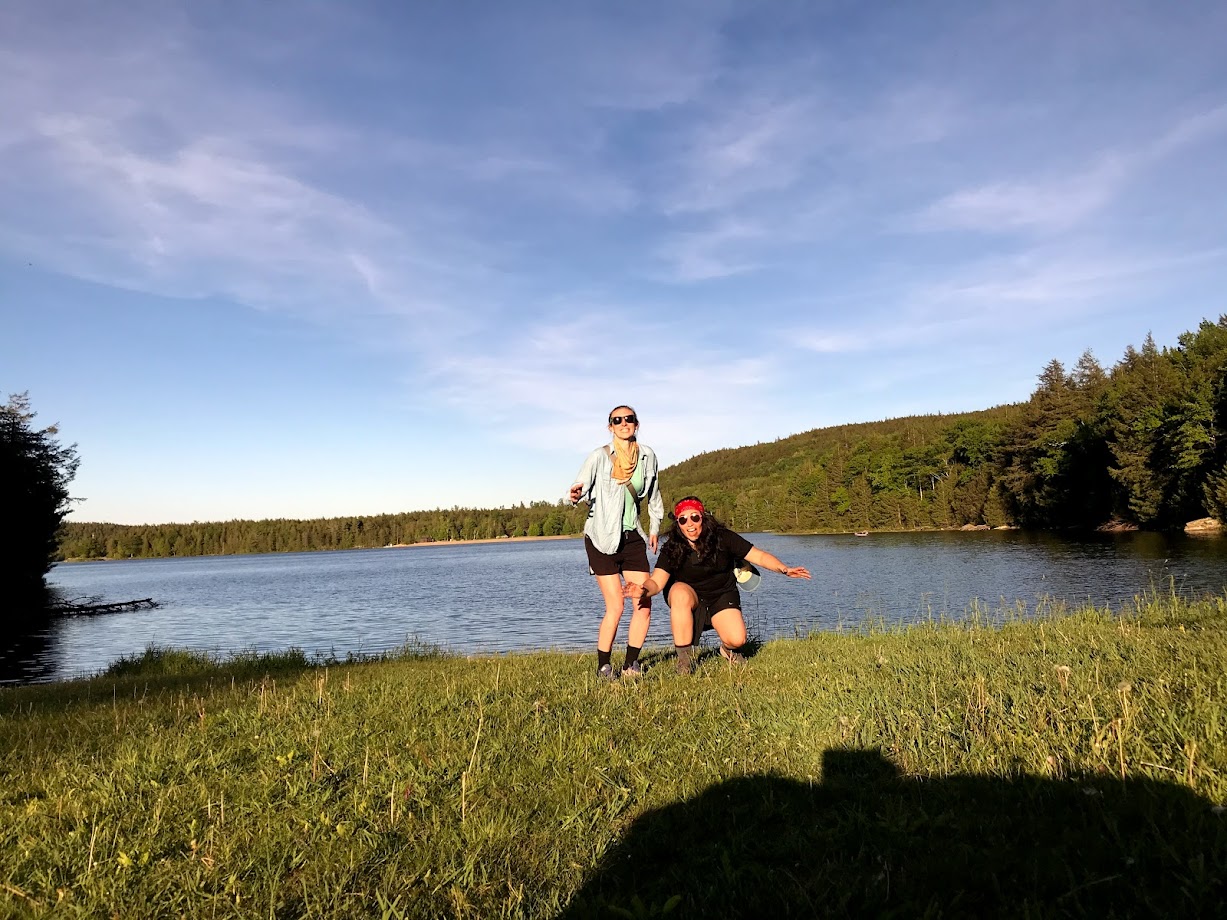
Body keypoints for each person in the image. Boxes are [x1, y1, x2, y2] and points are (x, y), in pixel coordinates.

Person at [624, 496, 810, 674]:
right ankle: (685, 663)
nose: (690, 523)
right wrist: (643, 590)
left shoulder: (723, 538)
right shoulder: (672, 546)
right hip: (690, 597)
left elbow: (758, 556)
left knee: (737, 639)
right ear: (678, 524)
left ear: (703, 518)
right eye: (683, 520)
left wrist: (784, 569)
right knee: (679, 593)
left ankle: (727, 650)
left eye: (695, 517)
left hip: (721, 594)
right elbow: (657, 581)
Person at [568, 406, 664, 680]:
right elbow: (579, 485)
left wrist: (655, 528)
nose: (624, 423)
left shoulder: (647, 456)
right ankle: (603, 666)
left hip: (632, 537)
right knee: (616, 606)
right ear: (610, 427)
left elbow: (654, 495)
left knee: (643, 601)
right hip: (600, 537)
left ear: (636, 424)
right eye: (617, 420)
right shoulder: (599, 456)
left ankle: (631, 665)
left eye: (629, 419)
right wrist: (575, 494)